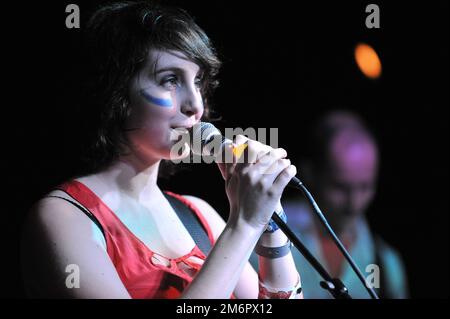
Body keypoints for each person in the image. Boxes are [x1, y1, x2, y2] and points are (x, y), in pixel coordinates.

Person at [20, 1, 303, 299]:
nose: (195, 106)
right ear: (116, 93)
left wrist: (270, 222)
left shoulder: (198, 215)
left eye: (197, 82)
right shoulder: (64, 217)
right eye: (170, 80)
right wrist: (244, 225)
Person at [281, 110, 408, 298]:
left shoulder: (386, 263)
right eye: (340, 187)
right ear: (310, 174)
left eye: (365, 187)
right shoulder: (266, 237)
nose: (354, 203)